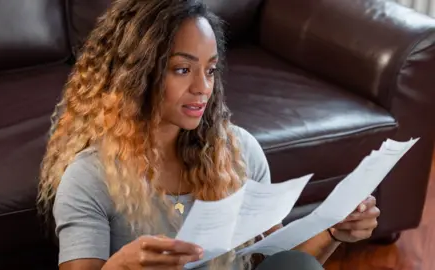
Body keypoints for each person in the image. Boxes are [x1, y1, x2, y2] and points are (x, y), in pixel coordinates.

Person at [37, 0, 380, 269]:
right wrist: (120, 267)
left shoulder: (239, 150)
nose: (203, 88)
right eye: (182, 69)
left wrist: (334, 230)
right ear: (135, 75)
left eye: (210, 70)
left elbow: (278, 263)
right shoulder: (89, 178)